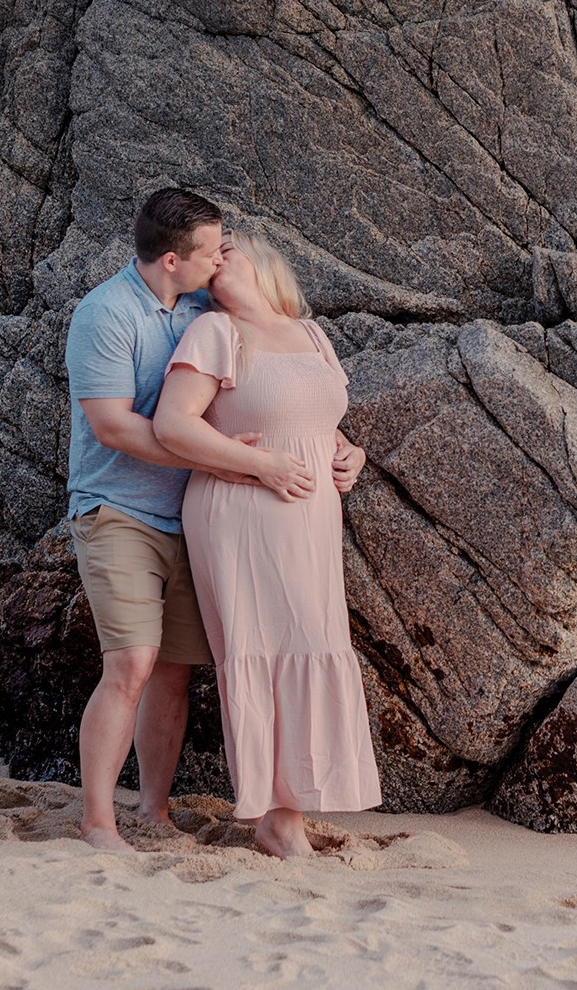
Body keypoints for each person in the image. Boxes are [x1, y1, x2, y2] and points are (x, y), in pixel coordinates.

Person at [63, 187, 315, 851]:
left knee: (172, 668)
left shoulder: (204, 307)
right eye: (211, 250)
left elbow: (279, 379)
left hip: (196, 519)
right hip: (118, 509)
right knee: (132, 661)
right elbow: (113, 425)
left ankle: (152, 809)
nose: (221, 257)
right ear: (172, 259)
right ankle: (96, 820)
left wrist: (341, 446)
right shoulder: (105, 314)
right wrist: (234, 463)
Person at [154, 227, 382, 858]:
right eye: (212, 250)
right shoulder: (215, 333)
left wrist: (352, 455)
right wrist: (262, 467)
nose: (222, 252)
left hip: (310, 513)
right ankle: (278, 818)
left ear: (266, 263)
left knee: (313, 639)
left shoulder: (311, 334)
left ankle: (294, 807)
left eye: (233, 244)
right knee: (261, 646)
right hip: (242, 509)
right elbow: (173, 426)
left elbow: (323, 422)